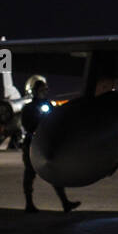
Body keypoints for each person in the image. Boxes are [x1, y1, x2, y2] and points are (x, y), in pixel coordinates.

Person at [21, 77, 79, 213]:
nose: (43, 92)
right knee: (30, 174)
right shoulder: (29, 108)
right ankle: (29, 204)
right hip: (32, 144)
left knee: (54, 172)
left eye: (44, 90)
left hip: (46, 143)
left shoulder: (48, 105)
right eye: (40, 90)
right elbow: (27, 126)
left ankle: (65, 202)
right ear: (35, 91)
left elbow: (56, 121)